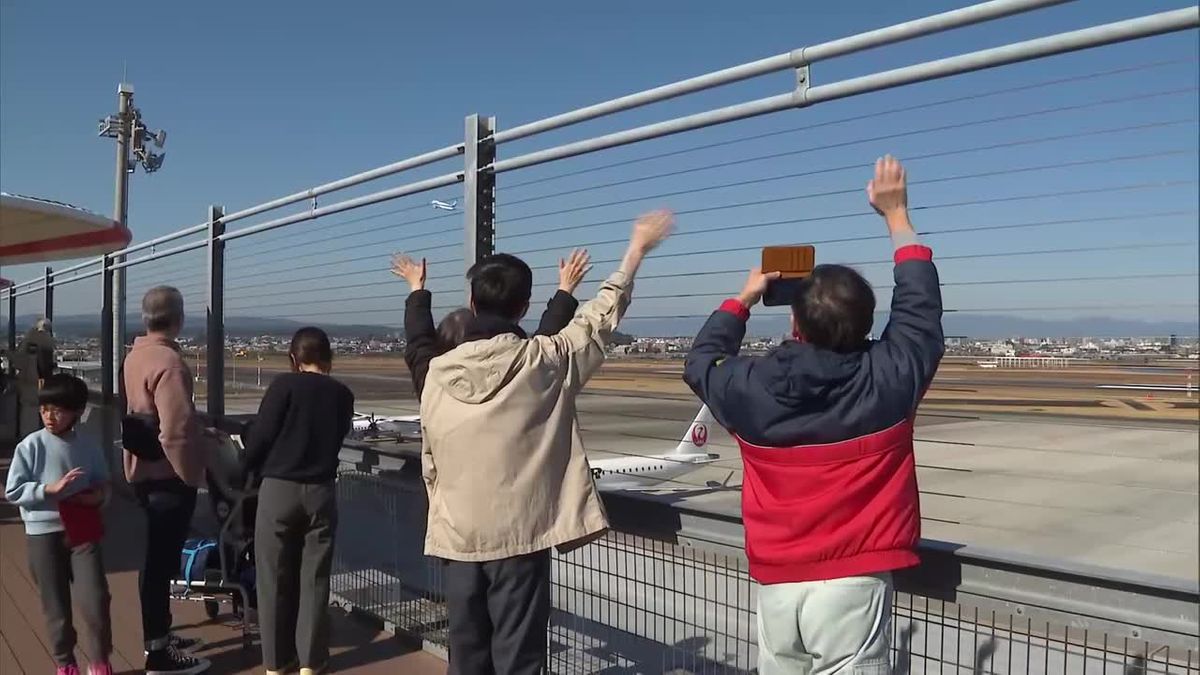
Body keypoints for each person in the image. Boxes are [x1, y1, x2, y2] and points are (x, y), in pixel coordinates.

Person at [683, 156, 944, 675]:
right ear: (869, 322)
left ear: (795, 322)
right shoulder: (889, 379)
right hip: (855, 579)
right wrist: (896, 216)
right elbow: (919, 313)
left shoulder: (749, 388)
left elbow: (700, 361)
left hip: (777, 580)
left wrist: (744, 297)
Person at [413, 210, 673, 675]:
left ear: (471, 303)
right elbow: (600, 319)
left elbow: (430, 455)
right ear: (523, 307)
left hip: (457, 534)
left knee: (466, 656)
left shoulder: (435, 373)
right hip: (520, 537)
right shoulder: (545, 361)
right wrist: (635, 251)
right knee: (520, 657)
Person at [241, 327, 354, 675]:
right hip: (321, 490)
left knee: (274, 578)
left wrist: (244, 464)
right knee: (315, 580)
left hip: (278, 489)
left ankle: (277, 662)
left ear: (294, 359)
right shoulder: (343, 395)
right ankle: (311, 661)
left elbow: (259, 438)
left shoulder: (283, 387)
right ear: (329, 359)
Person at [123, 286, 212, 675]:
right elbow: (174, 431)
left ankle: (159, 634)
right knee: (161, 562)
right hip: (167, 476)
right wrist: (193, 473)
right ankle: (158, 651)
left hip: (142, 471)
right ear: (178, 318)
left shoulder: (135, 355)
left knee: (154, 560)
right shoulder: (170, 363)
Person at [5, 373, 113, 675]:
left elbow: (104, 483)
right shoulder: (30, 446)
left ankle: (100, 660)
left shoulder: (88, 446)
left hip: (82, 528)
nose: (49, 416)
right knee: (55, 606)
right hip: (43, 532)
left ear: (77, 411)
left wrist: (98, 497)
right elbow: (14, 490)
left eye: (58, 409)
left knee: (96, 598)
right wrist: (47, 490)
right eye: (44, 409)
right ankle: (65, 663)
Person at [396, 247, 593, 398]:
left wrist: (417, 288)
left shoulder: (435, 379)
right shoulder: (533, 368)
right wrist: (565, 289)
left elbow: (419, 343)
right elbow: (548, 338)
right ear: (524, 308)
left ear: (472, 303)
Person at [15, 317, 56, 434]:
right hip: (37, 382)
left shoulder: (27, 340)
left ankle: (26, 436)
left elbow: (18, 361)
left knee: (27, 412)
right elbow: (44, 365)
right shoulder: (45, 342)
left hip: (26, 381)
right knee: (34, 411)